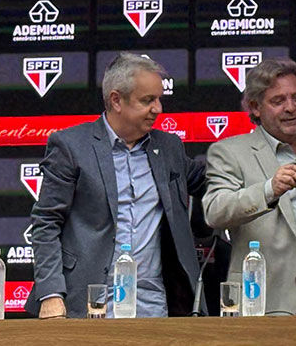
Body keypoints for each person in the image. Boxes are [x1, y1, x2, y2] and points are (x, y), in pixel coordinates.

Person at [26, 53, 206, 318]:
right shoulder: (71, 146)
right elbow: (46, 223)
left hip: (154, 301)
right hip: (88, 299)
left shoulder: (169, 148)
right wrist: (51, 294)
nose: (158, 109)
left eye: (159, 99)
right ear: (116, 100)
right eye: (148, 101)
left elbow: (212, 181)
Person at [203, 58, 296, 315]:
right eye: (278, 101)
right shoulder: (228, 151)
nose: (291, 108)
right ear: (256, 107)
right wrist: (269, 190)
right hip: (263, 300)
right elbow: (215, 211)